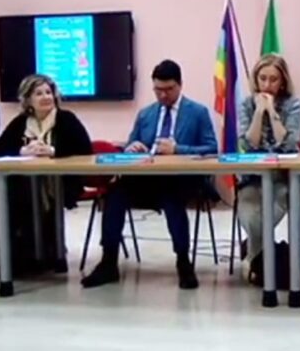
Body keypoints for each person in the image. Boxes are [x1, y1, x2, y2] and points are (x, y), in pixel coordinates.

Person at [81, 59, 218, 290]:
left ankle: (183, 261)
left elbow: (212, 148)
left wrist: (178, 149)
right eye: (158, 90)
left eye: (169, 89)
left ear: (180, 85)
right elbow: (129, 145)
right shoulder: (146, 114)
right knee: (115, 195)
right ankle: (108, 261)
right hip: (146, 178)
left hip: (180, 180)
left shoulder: (197, 112)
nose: (163, 95)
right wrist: (132, 147)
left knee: (173, 198)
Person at [0, 74, 92, 274]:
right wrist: (22, 151)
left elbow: (84, 148)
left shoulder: (66, 119)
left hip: (63, 181)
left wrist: (53, 150)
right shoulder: (21, 122)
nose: (46, 97)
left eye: (48, 92)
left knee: (31, 193)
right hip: (24, 182)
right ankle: (22, 255)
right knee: (8, 194)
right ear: (28, 100)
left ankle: (51, 253)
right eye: (39, 93)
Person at [236, 54, 300, 282]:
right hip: (253, 178)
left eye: (273, 79)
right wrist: (258, 112)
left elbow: (288, 144)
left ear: (282, 81)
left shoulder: (293, 105)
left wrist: (272, 112)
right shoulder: (246, 104)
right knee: (252, 218)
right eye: (262, 78)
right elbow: (249, 144)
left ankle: (254, 260)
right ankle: (260, 260)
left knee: (266, 217)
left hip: (283, 178)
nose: (267, 85)